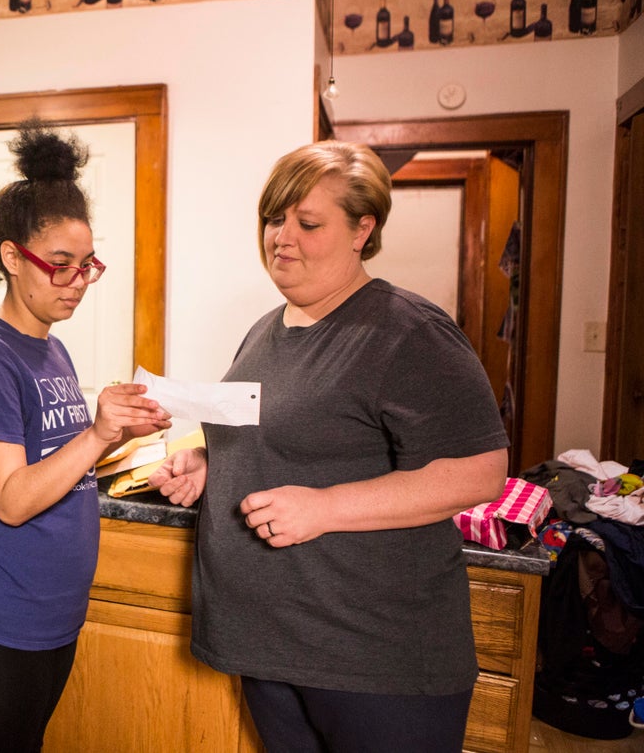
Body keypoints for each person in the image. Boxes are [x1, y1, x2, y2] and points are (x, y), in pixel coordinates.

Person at [150, 140, 509, 752]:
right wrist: (213, 463)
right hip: (272, 644)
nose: (282, 237)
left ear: (362, 230)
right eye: (274, 218)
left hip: (375, 660)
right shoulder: (267, 331)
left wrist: (325, 507)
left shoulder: (408, 332)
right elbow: (296, 439)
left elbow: (478, 474)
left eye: (308, 222)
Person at [0, 119, 171, 753]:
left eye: (86, 266)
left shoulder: (49, 348)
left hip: (49, 608)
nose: (76, 282)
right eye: (59, 265)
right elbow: (11, 498)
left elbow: (57, 460)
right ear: (12, 257)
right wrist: (96, 432)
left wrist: (118, 433)